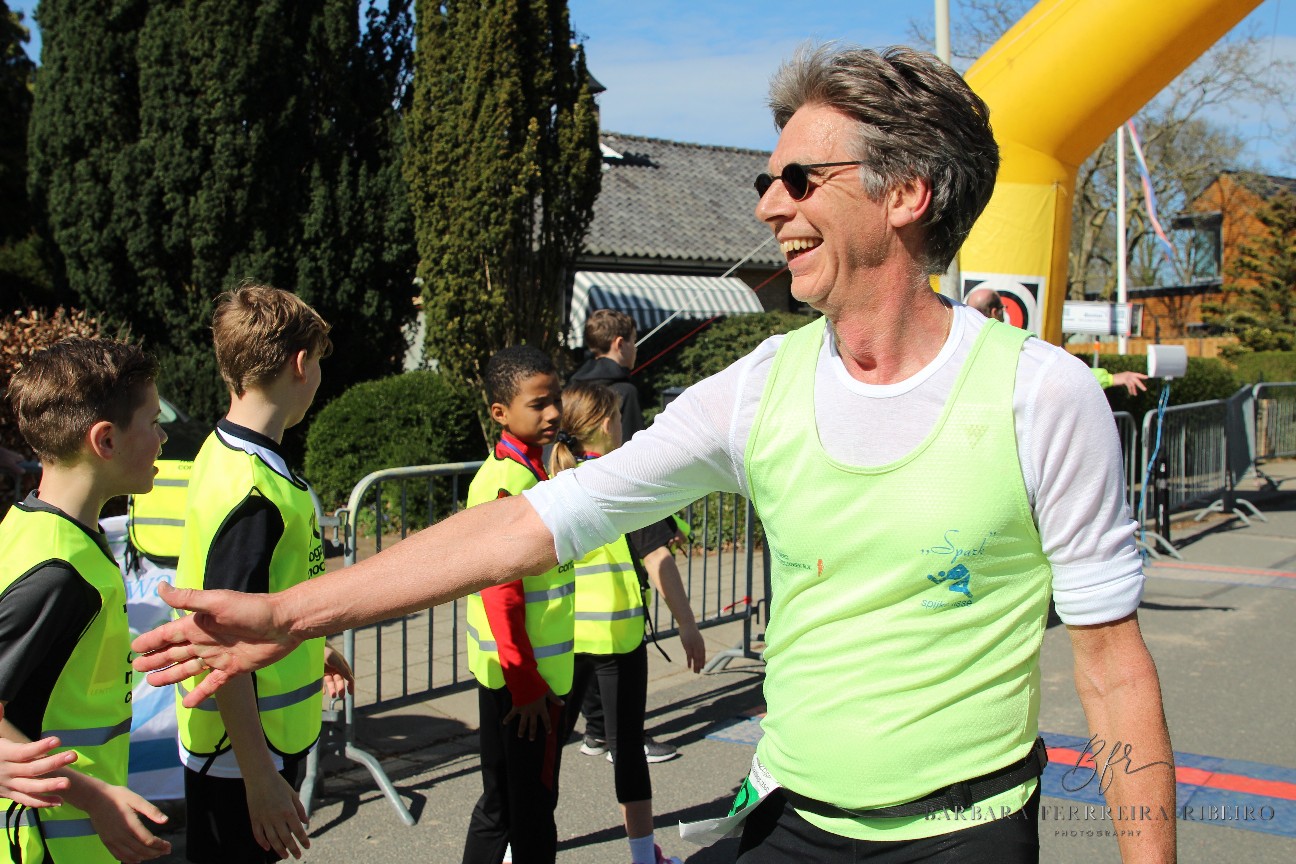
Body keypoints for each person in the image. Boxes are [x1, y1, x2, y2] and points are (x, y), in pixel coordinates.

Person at [133, 44, 1175, 863]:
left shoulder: (1042, 395)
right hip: (792, 818)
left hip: (968, 835)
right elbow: (530, 524)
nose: (768, 203)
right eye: (767, 178)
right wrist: (289, 613)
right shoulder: (759, 388)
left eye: (800, 178)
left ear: (906, 194)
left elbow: (1113, 674)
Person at [173, 284, 354, 863]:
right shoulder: (254, 491)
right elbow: (225, 643)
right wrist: (259, 779)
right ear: (301, 364)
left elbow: (266, 593)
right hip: (244, 753)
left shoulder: (226, 450)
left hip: (240, 744)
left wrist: (313, 645)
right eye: (319, 362)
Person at [1, 337, 173, 863]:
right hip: (47, 845)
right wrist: (95, 798)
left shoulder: (42, 530)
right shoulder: (58, 573)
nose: (163, 437)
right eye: (152, 422)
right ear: (106, 440)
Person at [550, 382, 699, 864]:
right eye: (617, 417)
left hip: (565, 638)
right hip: (618, 637)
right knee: (628, 750)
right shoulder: (620, 482)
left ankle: (519, 847)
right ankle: (642, 856)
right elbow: (658, 559)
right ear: (604, 424)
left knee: (546, 754)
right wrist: (687, 624)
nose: (621, 425)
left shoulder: (554, 482)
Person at [569, 309, 702, 764]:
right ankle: (622, 741)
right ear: (620, 343)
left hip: (577, 607)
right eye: (634, 340)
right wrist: (661, 520)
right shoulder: (622, 393)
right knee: (619, 670)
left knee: (588, 663)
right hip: (618, 598)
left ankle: (596, 731)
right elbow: (635, 459)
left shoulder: (573, 386)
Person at [461, 345, 573, 864]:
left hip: (520, 677)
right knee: (526, 814)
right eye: (538, 404)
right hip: (522, 685)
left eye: (556, 399)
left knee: (507, 805)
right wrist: (526, 686)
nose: (553, 413)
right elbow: (500, 593)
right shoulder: (510, 484)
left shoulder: (527, 471)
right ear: (500, 413)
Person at [965, 287, 1149, 395]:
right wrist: (1111, 378)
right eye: (1002, 308)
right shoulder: (1010, 347)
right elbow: (1059, 375)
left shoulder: (959, 345)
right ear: (995, 312)